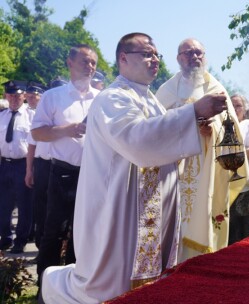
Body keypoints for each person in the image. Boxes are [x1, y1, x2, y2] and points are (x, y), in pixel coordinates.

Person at [41, 32, 229, 303]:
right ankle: (53, 289)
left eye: (156, 55)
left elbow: (162, 144)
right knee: (109, 287)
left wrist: (194, 126)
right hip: (118, 209)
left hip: (147, 211)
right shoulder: (112, 98)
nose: (154, 60)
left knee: (142, 285)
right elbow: (138, 140)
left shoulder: (150, 99)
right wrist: (192, 113)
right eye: (147, 53)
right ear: (123, 58)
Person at [156, 38, 247, 261]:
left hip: (205, 171)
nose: (195, 57)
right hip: (173, 171)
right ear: (179, 59)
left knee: (202, 216)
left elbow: (231, 131)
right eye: (188, 53)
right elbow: (153, 129)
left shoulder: (215, 88)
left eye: (199, 53)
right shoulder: (165, 91)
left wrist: (212, 130)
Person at [32, 44, 100, 288]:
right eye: (85, 61)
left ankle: (75, 287)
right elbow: (38, 133)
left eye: (93, 62)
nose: (90, 66)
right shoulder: (53, 97)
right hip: (62, 173)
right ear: (70, 63)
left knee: (83, 234)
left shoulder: (101, 99)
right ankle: (46, 287)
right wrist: (67, 130)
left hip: (93, 175)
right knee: (54, 232)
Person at [0, 80, 33, 254]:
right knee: (3, 204)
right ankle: (5, 237)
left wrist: (30, 170)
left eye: (17, 95)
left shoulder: (31, 116)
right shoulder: (2, 116)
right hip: (4, 164)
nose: (14, 99)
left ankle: (21, 240)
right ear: (6, 96)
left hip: (23, 165)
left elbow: (35, 145)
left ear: (24, 96)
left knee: (24, 205)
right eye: (10, 95)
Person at [228, 94, 249, 244]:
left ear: (245, 108)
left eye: (238, 106)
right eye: (232, 105)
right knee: (229, 232)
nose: (235, 109)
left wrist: (234, 152)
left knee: (246, 233)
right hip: (226, 186)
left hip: (245, 186)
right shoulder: (222, 125)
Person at [25, 82, 50, 253]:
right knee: (40, 209)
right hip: (42, 165)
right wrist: (29, 170)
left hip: (63, 167)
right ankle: (41, 248)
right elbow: (31, 146)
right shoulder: (38, 119)